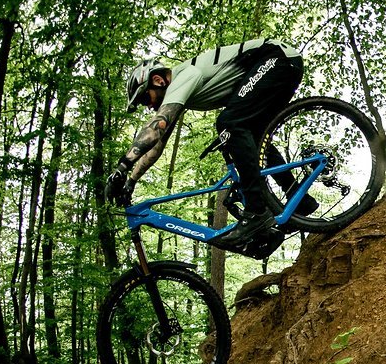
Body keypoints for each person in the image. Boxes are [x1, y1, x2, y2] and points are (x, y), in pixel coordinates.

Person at [105, 38, 314, 246]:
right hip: (280, 65)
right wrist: (130, 182)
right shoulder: (179, 89)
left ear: (158, 80)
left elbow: (155, 128)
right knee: (251, 135)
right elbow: (156, 146)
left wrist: (122, 167)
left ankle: (257, 211)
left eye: (145, 98)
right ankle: (299, 198)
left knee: (229, 123)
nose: (148, 106)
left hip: (276, 58)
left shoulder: (184, 77)